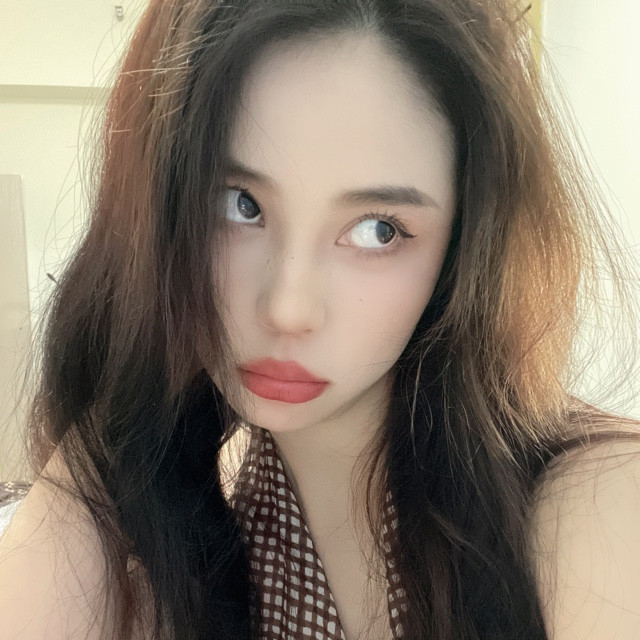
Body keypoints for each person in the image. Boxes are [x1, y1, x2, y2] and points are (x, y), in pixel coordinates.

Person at [1, 0, 639, 638]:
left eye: (378, 229)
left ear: (464, 248)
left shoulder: (596, 506)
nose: (288, 308)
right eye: (238, 204)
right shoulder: (177, 521)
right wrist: (115, 431)